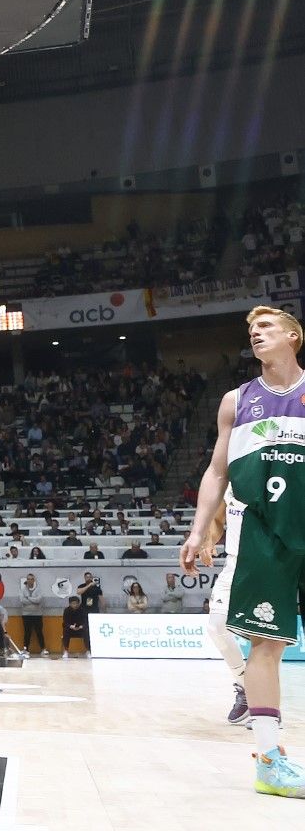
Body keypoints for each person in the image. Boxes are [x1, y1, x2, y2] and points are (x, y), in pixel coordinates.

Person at [181, 306, 305, 799]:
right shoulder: (236, 401)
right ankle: (270, 761)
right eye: (252, 330)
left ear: (294, 336)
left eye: (267, 327)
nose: (256, 333)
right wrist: (198, 531)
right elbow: (216, 472)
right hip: (261, 533)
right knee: (263, 645)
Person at [200, 484, 251, 725]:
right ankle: (244, 686)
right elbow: (218, 519)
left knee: (266, 640)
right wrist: (209, 541)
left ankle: (267, 705)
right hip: (233, 564)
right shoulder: (233, 479)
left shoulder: (274, 468)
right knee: (216, 627)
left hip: (266, 564)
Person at [18, 574, 49, 656]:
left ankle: (43, 649)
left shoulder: (39, 589)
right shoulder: (22, 590)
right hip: (26, 615)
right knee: (27, 632)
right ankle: (26, 649)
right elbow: (22, 600)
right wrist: (33, 601)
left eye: (31, 579)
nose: (30, 580)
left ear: (34, 580)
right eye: (28, 579)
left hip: (37, 615)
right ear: (26, 580)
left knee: (39, 632)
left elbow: (39, 600)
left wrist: (28, 598)